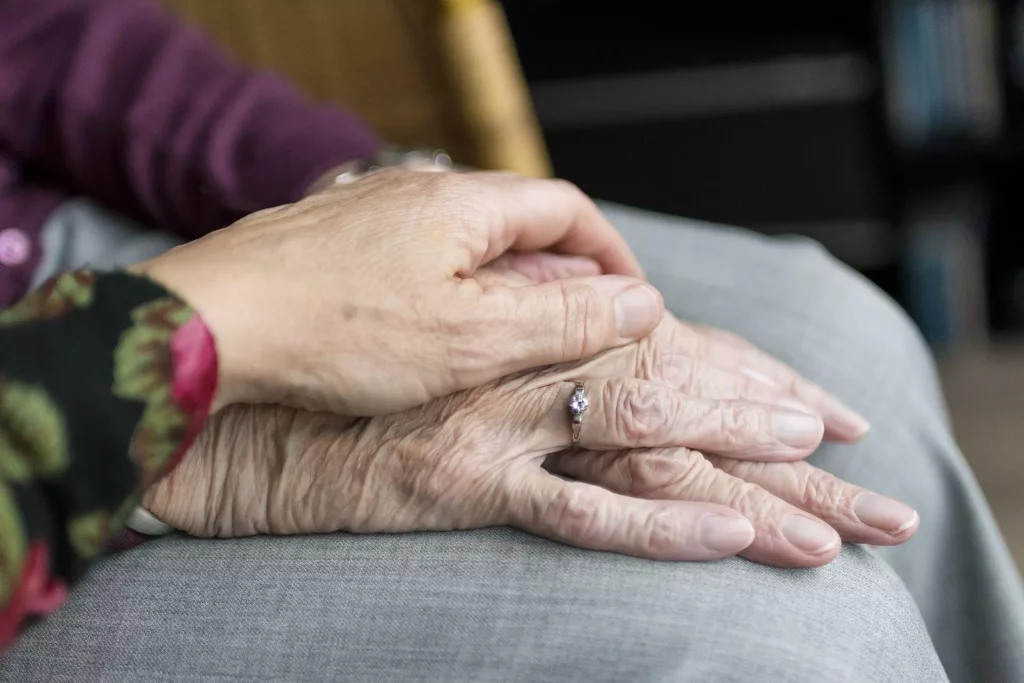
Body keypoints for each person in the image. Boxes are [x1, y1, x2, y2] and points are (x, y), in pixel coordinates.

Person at [0, 2, 1020, 683]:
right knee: (786, 633)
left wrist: (355, 200)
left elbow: (40, 33)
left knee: (829, 333)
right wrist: (210, 414)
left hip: (76, 237)